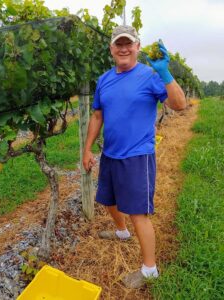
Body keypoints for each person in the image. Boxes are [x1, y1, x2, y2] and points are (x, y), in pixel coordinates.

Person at [83, 25, 186, 289]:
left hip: (138, 157)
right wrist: (87, 149)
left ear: (138, 47)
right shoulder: (104, 80)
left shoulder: (150, 76)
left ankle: (149, 269)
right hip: (110, 153)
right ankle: (121, 231)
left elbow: (179, 105)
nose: (124, 48)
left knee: (139, 213)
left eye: (129, 43)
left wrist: (165, 72)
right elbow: (97, 116)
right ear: (111, 49)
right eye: (119, 44)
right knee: (107, 199)